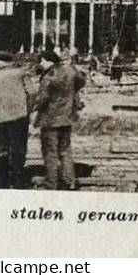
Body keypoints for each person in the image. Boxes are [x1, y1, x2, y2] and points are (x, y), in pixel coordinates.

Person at [33, 48, 86, 191]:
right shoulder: (70, 72)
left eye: (41, 61)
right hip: (67, 116)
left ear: (46, 61)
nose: (40, 64)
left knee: (50, 151)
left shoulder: (49, 75)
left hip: (51, 119)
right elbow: (80, 83)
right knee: (65, 149)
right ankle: (70, 181)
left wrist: (34, 107)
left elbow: (43, 97)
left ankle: (51, 183)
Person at [0, 52, 34, 188]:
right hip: (20, 117)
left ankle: (2, 178)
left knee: (2, 148)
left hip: (0, 119)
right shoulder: (21, 74)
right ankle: (17, 175)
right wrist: (28, 110)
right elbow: (33, 93)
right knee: (19, 146)